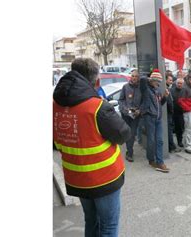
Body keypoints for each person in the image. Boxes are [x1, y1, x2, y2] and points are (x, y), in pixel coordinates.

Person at [53, 58, 131, 237]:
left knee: (91, 221)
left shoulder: (54, 104)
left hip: (76, 178)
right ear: (96, 81)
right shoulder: (97, 107)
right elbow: (123, 134)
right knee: (109, 226)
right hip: (104, 179)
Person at [139, 69, 170, 173]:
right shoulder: (145, 89)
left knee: (160, 140)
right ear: (153, 80)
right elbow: (142, 79)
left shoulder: (157, 91)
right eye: (157, 81)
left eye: (159, 82)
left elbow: (160, 104)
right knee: (151, 141)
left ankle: (160, 162)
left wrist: (165, 97)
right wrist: (152, 77)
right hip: (149, 117)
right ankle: (151, 160)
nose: (158, 83)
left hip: (158, 118)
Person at [118, 69, 142, 162]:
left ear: (138, 78)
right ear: (130, 77)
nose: (134, 78)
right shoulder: (125, 87)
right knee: (128, 133)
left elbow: (144, 102)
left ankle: (130, 152)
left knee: (132, 134)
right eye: (133, 76)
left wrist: (139, 110)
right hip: (126, 115)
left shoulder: (141, 88)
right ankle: (129, 151)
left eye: (136, 76)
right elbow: (121, 100)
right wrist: (124, 109)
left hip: (136, 116)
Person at [166, 75, 181, 153]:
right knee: (169, 130)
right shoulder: (166, 89)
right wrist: (171, 110)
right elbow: (169, 102)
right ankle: (171, 146)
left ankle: (171, 146)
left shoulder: (168, 88)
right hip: (168, 112)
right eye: (170, 80)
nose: (171, 82)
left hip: (170, 112)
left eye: (172, 80)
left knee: (170, 129)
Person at [171, 78, 185, 148]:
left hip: (182, 111)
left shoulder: (185, 91)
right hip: (174, 111)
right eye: (178, 83)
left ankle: (180, 140)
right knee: (175, 127)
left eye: (181, 83)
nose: (179, 85)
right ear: (176, 83)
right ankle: (174, 142)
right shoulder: (172, 90)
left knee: (180, 127)